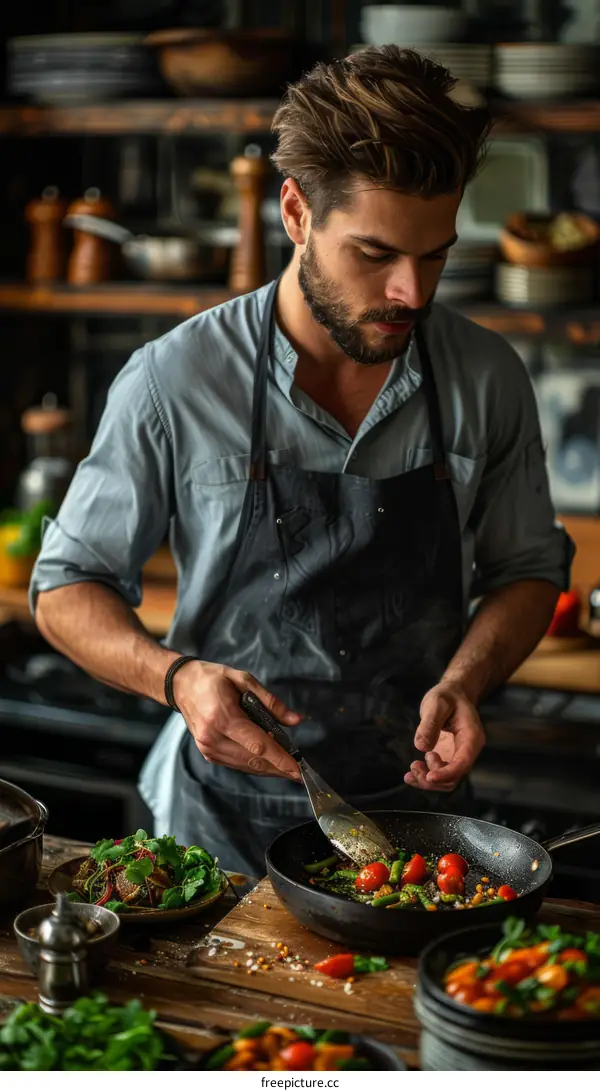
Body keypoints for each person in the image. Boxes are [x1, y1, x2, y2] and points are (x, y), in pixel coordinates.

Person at [30, 47, 573, 876]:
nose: (412, 293)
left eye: (435, 255)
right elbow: (65, 587)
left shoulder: (486, 375)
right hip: (215, 830)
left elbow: (530, 570)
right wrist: (176, 679)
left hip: (423, 834)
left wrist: (466, 681)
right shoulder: (174, 378)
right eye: (375, 253)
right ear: (295, 212)